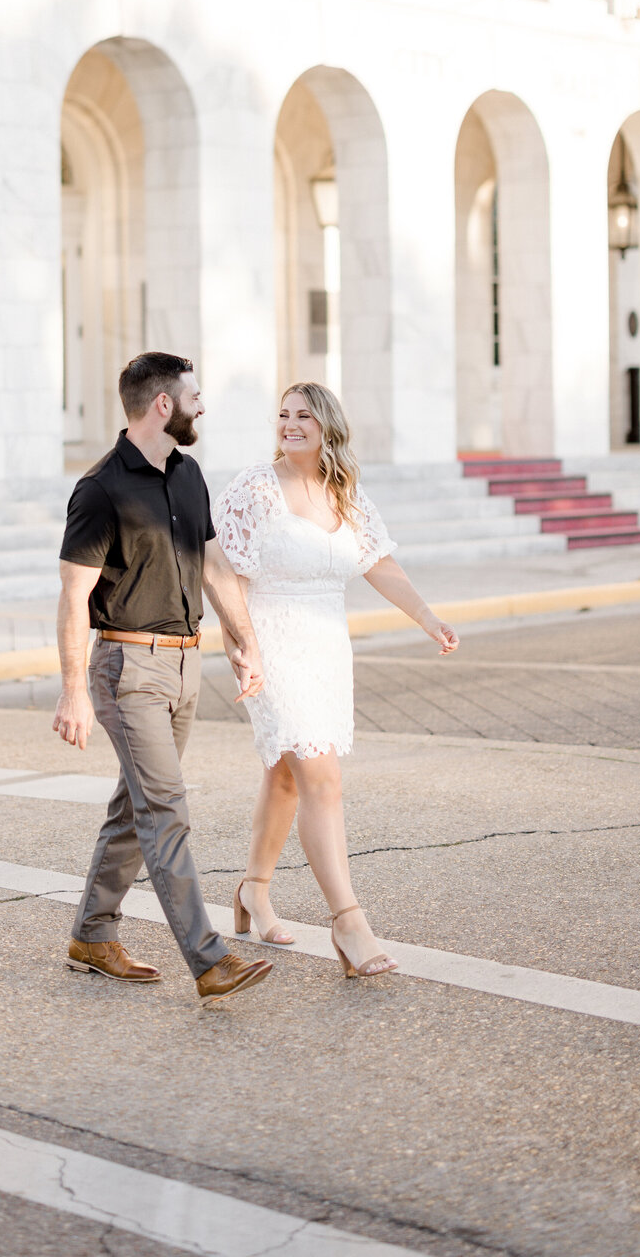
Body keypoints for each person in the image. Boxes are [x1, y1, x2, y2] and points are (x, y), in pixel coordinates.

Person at [213, 382, 460, 979]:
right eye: (282, 414)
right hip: (272, 645)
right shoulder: (253, 487)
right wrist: (241, 649)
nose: (289, 424)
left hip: (326, 650)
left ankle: (254, 888)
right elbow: (221, 571)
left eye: (303, 415)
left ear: (327, 425)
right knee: (321, 776)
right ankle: (348, 922)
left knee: (287, 776)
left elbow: (376, 559)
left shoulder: (344, 492)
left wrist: (428, 617)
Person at [54, 351, 274, 1003]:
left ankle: (93, 933)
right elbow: (73, 595)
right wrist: (73, 690)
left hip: (183, 663)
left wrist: (245, 640)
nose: (202, 405)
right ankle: (210, 959)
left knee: (139, 806)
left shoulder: (188, 475)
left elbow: (210, 563)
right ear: (162, 405)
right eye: (194, 395)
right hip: (127, 668)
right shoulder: (99, 489)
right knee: (167, 809)